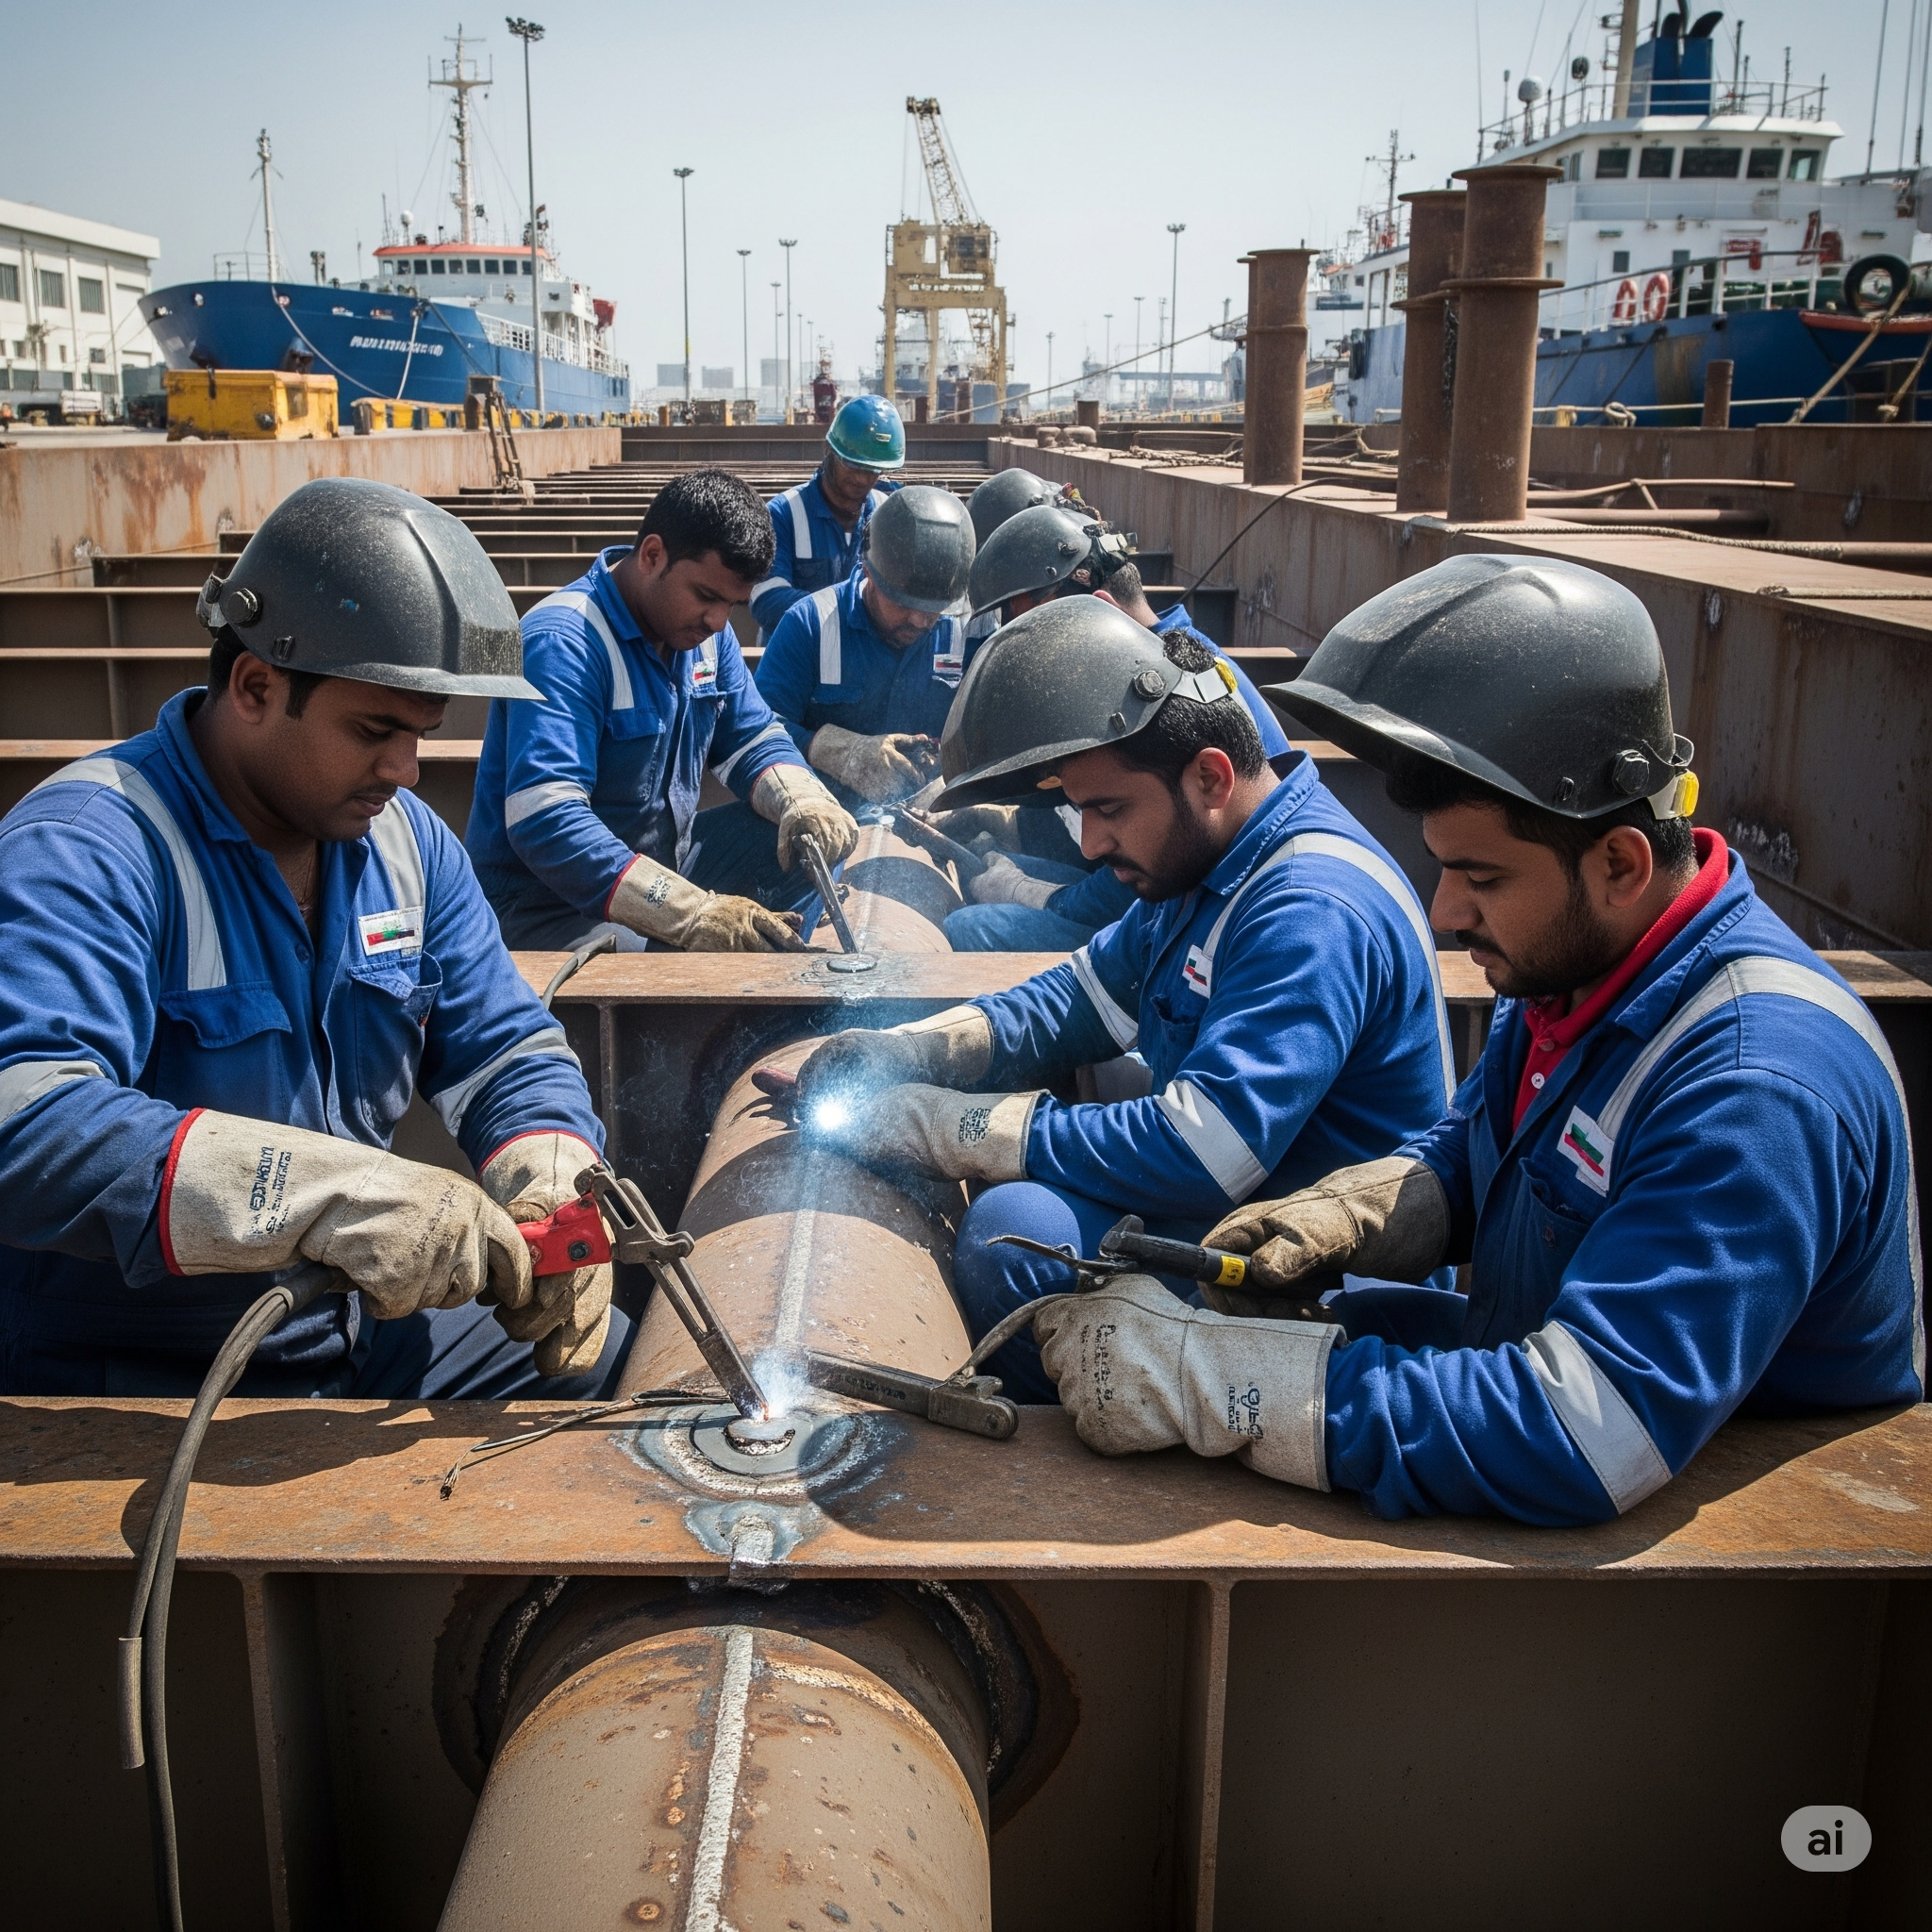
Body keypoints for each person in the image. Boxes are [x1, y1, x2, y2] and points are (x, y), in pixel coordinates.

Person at [1033, 555, 1924, 1525]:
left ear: (1619, 862)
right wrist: (1382, 1201)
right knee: (1314, 1320)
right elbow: (1480, 1142)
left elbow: (1588, 1431)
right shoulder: (1573, 972)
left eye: (1482, 878)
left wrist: (1221, 1382)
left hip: (1699, 1514)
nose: (1444, 908)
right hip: (1544, 1355)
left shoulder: (1755, 1084)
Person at [0, 478, 631, 1399]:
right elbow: (23, 1115)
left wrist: (549, 1159)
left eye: (422, 733)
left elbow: (503, 1048)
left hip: (354, 1334)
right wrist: (309, 1195)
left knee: (607, 1356)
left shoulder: (408, 846)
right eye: (374, 730)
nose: (405, 769)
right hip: (141, 1376)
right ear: (255, 685)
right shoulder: (95, 845)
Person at [793, 598, 1456, 1400]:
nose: (1092, 844)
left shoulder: (1309, 908)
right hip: (1239, 1210)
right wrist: (917, 1051)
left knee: (1019, 1241)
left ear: (1209, 777)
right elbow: (1074, 999)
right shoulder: (1210, 869)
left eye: (1108, 810)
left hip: (1318, 1280)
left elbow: (1202, 1152)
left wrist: (949, 1128)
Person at [466, 468, 857, 954]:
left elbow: (753, 738)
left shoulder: (704, 640)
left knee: (808, 844)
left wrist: (802, 799)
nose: (717, 621)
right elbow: (548, 823)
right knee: (672, 962)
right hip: (548, 910)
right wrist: (689, 913)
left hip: (663, 868)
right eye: (706, 597)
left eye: (732, 605)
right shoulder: (564, 642)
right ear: (652, 555)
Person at [941, 503, 1296, 953]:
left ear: (1099, 609)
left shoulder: (1163, 689)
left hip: (1194, 908)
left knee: (971, 926)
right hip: (1169, 889)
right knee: (992, 868)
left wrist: (1038, 896)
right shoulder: (1169, 655)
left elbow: (1156, 858)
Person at [753, 486, 977, 808]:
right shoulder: (812, 624)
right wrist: (836, 751)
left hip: (930, 816)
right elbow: (760, 728)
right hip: (829, 813)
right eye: (903, 604)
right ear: (869, 573)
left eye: (933, 609)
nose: (919, 621)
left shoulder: (962, 631)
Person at [749, 395, 907, 640]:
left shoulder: (886, 513)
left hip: (861, 668)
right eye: (853, 464)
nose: (863, 478)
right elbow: (766, 600)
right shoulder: (783, 513)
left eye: (874, 469)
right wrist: (853, 612)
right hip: (794, 663)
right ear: (827, 449)